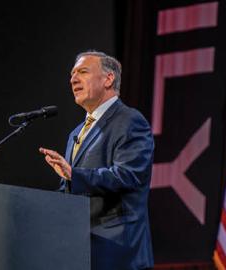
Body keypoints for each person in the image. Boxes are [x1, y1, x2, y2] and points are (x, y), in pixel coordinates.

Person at [39, 51, 154, 270]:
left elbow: (128, 175)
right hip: (80, 253)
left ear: (108, 79)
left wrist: (74, 174)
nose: (73, 79)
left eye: (82, 72)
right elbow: (71, 192)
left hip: (119, 254)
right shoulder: (76, 133)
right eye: (72, 74)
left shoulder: (130, 120)